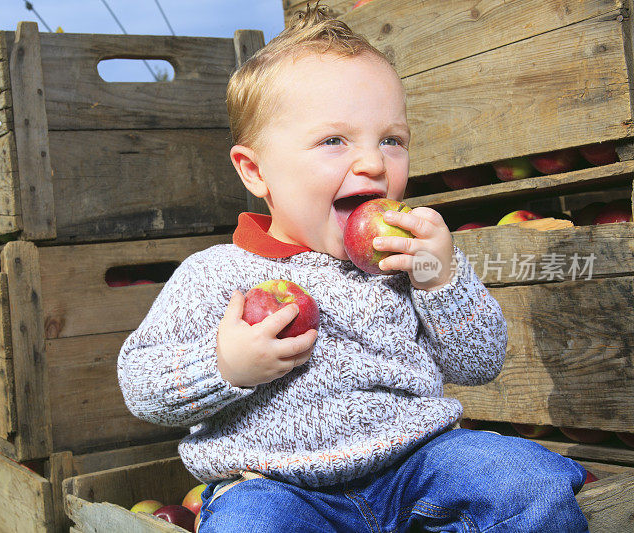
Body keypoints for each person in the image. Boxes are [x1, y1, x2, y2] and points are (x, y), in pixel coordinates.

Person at [117, 4, 589, 531]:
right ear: (255, 171)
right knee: (250, 525)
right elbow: (141, 384)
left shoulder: (406, 258)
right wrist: (226, 366)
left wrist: (442, 278)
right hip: (277, 487)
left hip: (416, 465)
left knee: (527, 483)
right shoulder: (215, 274)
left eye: (391, 139)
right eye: (334, 141)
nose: (372, 162)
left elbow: (478, 364)